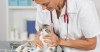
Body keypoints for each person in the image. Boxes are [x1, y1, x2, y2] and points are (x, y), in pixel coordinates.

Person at [33, 0, 100, 52]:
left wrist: (60, 42)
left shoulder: (84, 5)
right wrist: (38, 37)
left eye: (45, 4)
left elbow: (92, 44)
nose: (43, 8)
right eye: (40, 4)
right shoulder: (42, 6)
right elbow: (42, 29)